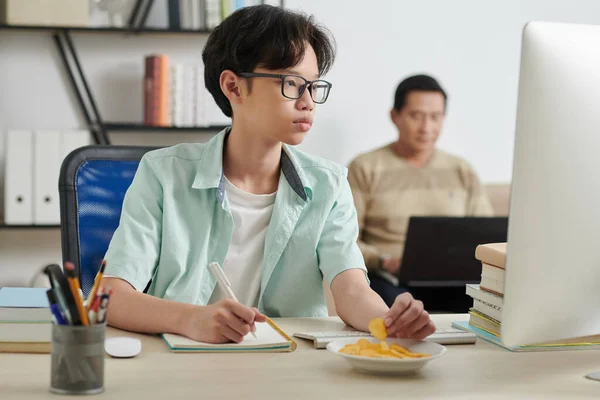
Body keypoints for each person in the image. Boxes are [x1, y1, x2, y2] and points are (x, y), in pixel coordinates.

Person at [101, 5, 435, 344]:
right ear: (233, 87)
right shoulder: (163, 174)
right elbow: (111, 296)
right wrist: (191, 319)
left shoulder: (329, 185)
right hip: (184, 360)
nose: (308, 102)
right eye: (291, 83)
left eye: (313, 86)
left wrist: (388, 319)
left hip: (287, 364)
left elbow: (350, 289)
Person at [347, 74, 493, 307]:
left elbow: (486, 238)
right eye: (416, 116)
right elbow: (345, 239)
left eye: (435, 117)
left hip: (452, 280)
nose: (426, 127)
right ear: (395, 116)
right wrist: (383, 261)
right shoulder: (364, 168)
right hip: (389, 279)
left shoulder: (461, 170)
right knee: (398, 307)